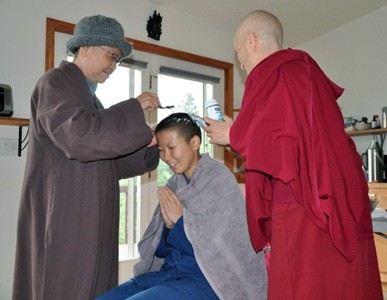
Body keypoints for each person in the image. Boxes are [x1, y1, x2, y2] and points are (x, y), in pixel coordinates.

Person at [205, 10, 383, 300]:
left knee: (304, 286)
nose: (241, 63)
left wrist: (232, 136)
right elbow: (298, 138)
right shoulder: (308, 72)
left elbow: (280, 148)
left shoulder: (270, 72)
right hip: (343, 194)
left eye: (240, 54)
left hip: (301, 203)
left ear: (251, 41)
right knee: (346, 284)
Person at [12, 15, 161, 300]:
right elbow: (80, 137)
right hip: (66, 218)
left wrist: (149, 142)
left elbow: (108, 162)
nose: (114, 66)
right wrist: (133, 108)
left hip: (90, 218)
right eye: (111, 56)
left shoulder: (91, 100)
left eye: (118, 60)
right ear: (85, 48)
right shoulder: (55, 83)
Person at [96, 112, 267, 300]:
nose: (166, 157)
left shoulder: (219, 181)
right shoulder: (174, 184)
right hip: (169, 273)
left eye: (171, 147)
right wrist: (169, 228)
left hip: (207, 279)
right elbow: (159, 251)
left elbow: (219, 252)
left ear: (194, 143)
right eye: (161, 150)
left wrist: (179, 222)